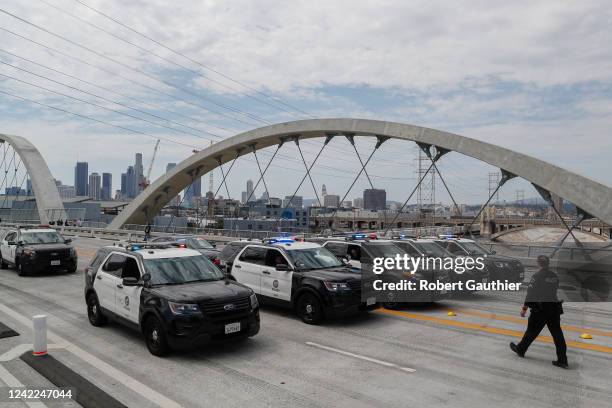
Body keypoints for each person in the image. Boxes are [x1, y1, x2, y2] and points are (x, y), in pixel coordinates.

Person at [510, 255, 568, 368]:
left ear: (538, 263)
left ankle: (520, 349)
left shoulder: (536, 276)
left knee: (531, 331)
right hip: (554, 308)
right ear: (548, 263)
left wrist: (524, 309)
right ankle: (562, 360)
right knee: (558, 335)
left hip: (541, 309)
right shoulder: (554, 276)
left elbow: (530, 294)